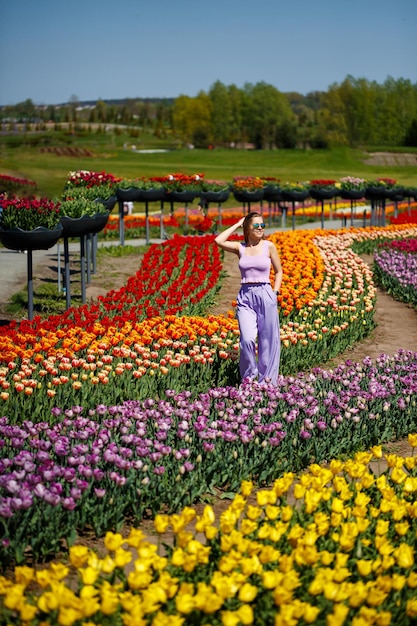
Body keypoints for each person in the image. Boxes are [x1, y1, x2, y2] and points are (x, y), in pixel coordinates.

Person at [215, 211, 282, 385]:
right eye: (256, 225)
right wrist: (238, 224)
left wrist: (275, 292)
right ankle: (248, 378)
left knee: (267, 340)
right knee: (247, 338)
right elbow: (218, 241)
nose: (260, 228)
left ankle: (266, 381)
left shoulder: (269, 246)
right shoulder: (240, 248)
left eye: (262, 225)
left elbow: (279, 271)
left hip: (265, 293)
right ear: (248, 228)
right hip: (245, 296)